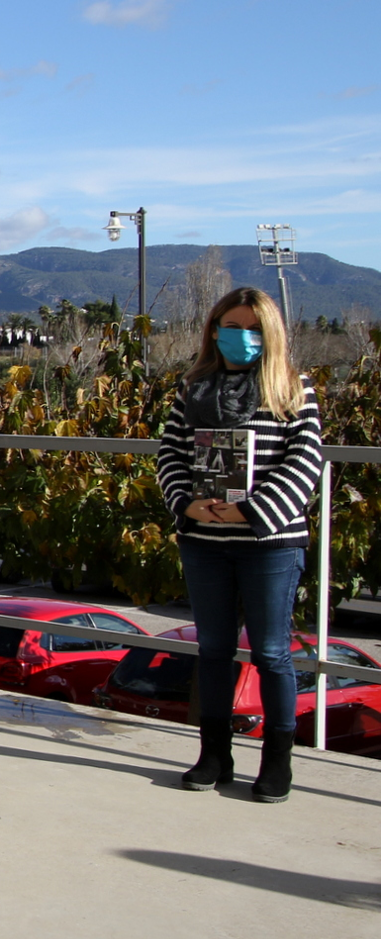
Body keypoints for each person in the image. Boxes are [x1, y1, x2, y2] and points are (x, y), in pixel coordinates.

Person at [157, 287, 321, 803]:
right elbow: (170, 453)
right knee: (213, 650)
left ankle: (278, 763)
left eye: (253, 329)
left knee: (272, 653)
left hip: (269, 542)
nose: (241, 338)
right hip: (204, 540)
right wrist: (185, 502)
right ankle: (214, 754)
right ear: (213, 329)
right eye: (231, 326)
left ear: (269, 334)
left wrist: (251, 511)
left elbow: (305, 461)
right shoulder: (192, 391)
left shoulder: (294, 389)